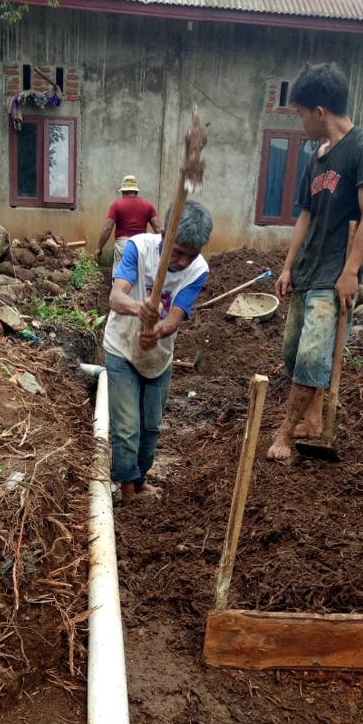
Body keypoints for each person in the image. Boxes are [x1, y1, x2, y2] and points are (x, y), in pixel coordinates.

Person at [267, 62, 363, 462]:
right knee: (293, 354)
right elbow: (305, 215)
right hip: (306, 272)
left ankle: (285, 434)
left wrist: (351, 272)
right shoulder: (315, 158)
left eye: (302, 113)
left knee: (311, 356)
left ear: (320, 111)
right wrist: (288, 266)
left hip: (334, 275)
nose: (301, 122)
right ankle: (313, 419)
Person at [103, 201, 212, 505]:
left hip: (159, 357)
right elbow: (116, 297)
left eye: (192, 254)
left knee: (151, 427)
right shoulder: (139, 248)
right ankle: (126, 490)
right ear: (164, 235)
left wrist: (158, 331)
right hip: (122, 347)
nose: (183, 262)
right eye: (177, 252)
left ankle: (140, 480)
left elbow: (175, 318)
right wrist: (140, 308)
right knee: (127, 425)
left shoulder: (198, 270)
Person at [94, 175, 162, 272]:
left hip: (124, 245)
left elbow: (107, 228)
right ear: (136, 191)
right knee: (140, 275)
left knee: (120, 274)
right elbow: (158, 228)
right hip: (142, 245)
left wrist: (99, 248)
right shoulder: (148, 205)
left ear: (123, 191)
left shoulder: (116, 205)